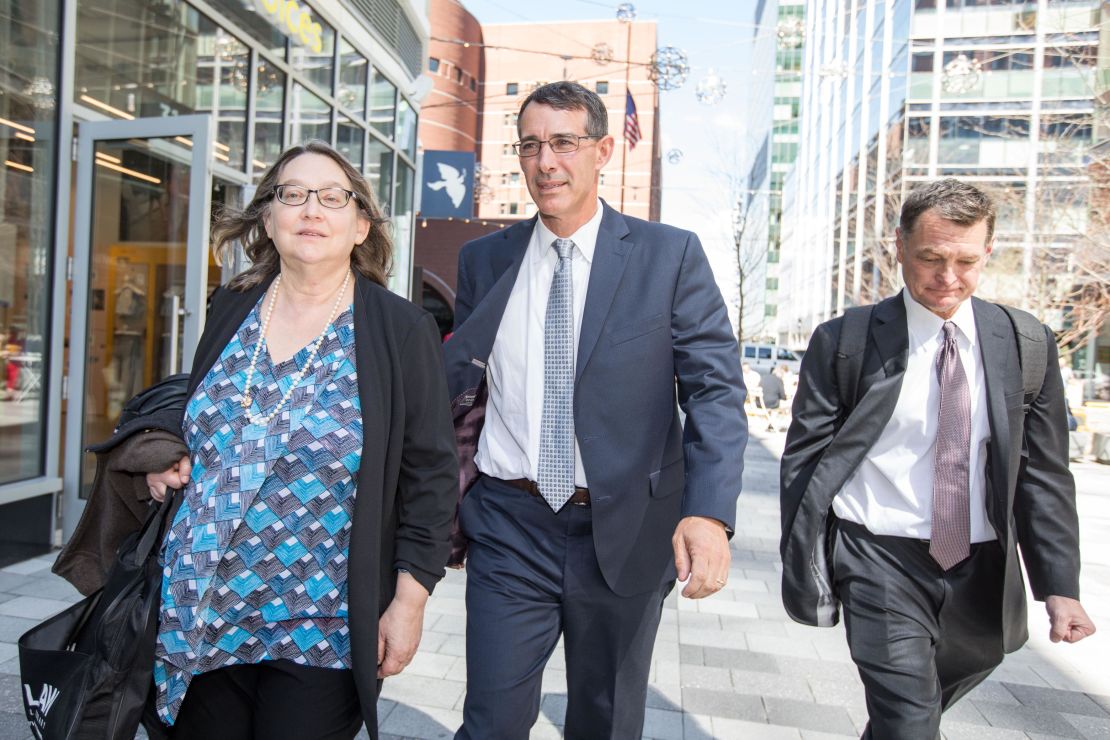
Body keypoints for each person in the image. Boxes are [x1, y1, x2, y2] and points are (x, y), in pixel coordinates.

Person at [444, 81, 747, 738]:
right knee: (490, 722)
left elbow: (716, 391)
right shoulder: (484, 262)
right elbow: (462, 390)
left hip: (627, 529)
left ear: (604, 150)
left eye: (563, 143)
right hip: (509, 525)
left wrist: (709, 512)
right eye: (530, 146)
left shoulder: (670, 257)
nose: (545, 162)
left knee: (604, 723)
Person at [142, 141, 458, 739]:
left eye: (333, 197)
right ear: (268, 216)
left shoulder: (398, 328)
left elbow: (432, 478)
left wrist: (409, 603)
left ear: (361, 224)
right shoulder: (232, 306)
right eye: (293, 195)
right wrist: (166, 455)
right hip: (202, 603)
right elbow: (198, 413)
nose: (312, 209)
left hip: (322, 624)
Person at [780, 179, 1095, 739]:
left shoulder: (1027, 343)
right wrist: (806, 558)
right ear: (899, 246)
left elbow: (1044, 473)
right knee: (908, 721)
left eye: (965, 260)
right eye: (930, 257)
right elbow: (804, 461)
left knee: (910, 716)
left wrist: (1059, 586)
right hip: (877, 558)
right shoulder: (845, 341)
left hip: (981, 567)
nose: (948, 277)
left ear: (989, 250)